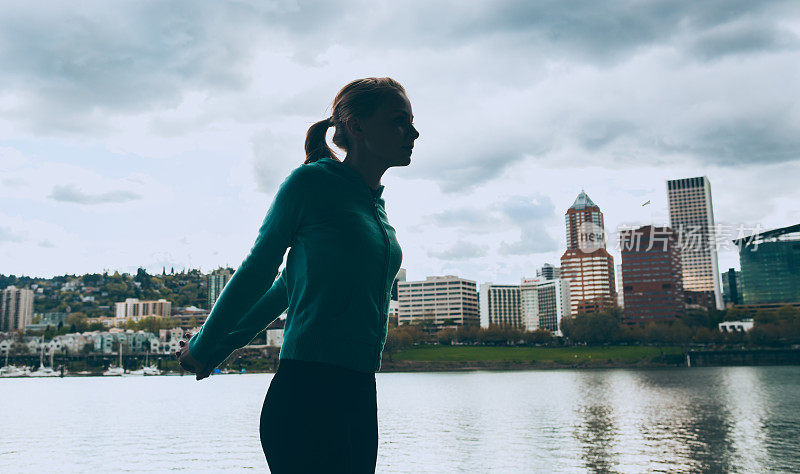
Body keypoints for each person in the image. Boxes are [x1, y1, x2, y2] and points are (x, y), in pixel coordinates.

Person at [176, 77, 419, 473]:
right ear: (357, 126)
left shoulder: (376, 207)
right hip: (308, 390)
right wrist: (207, 346)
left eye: (411, 122)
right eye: (398, 121)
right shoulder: (311, 183)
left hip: (359, 389)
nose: (413, 132)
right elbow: (258, 269)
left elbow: (288, 285)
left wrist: (222, 346)